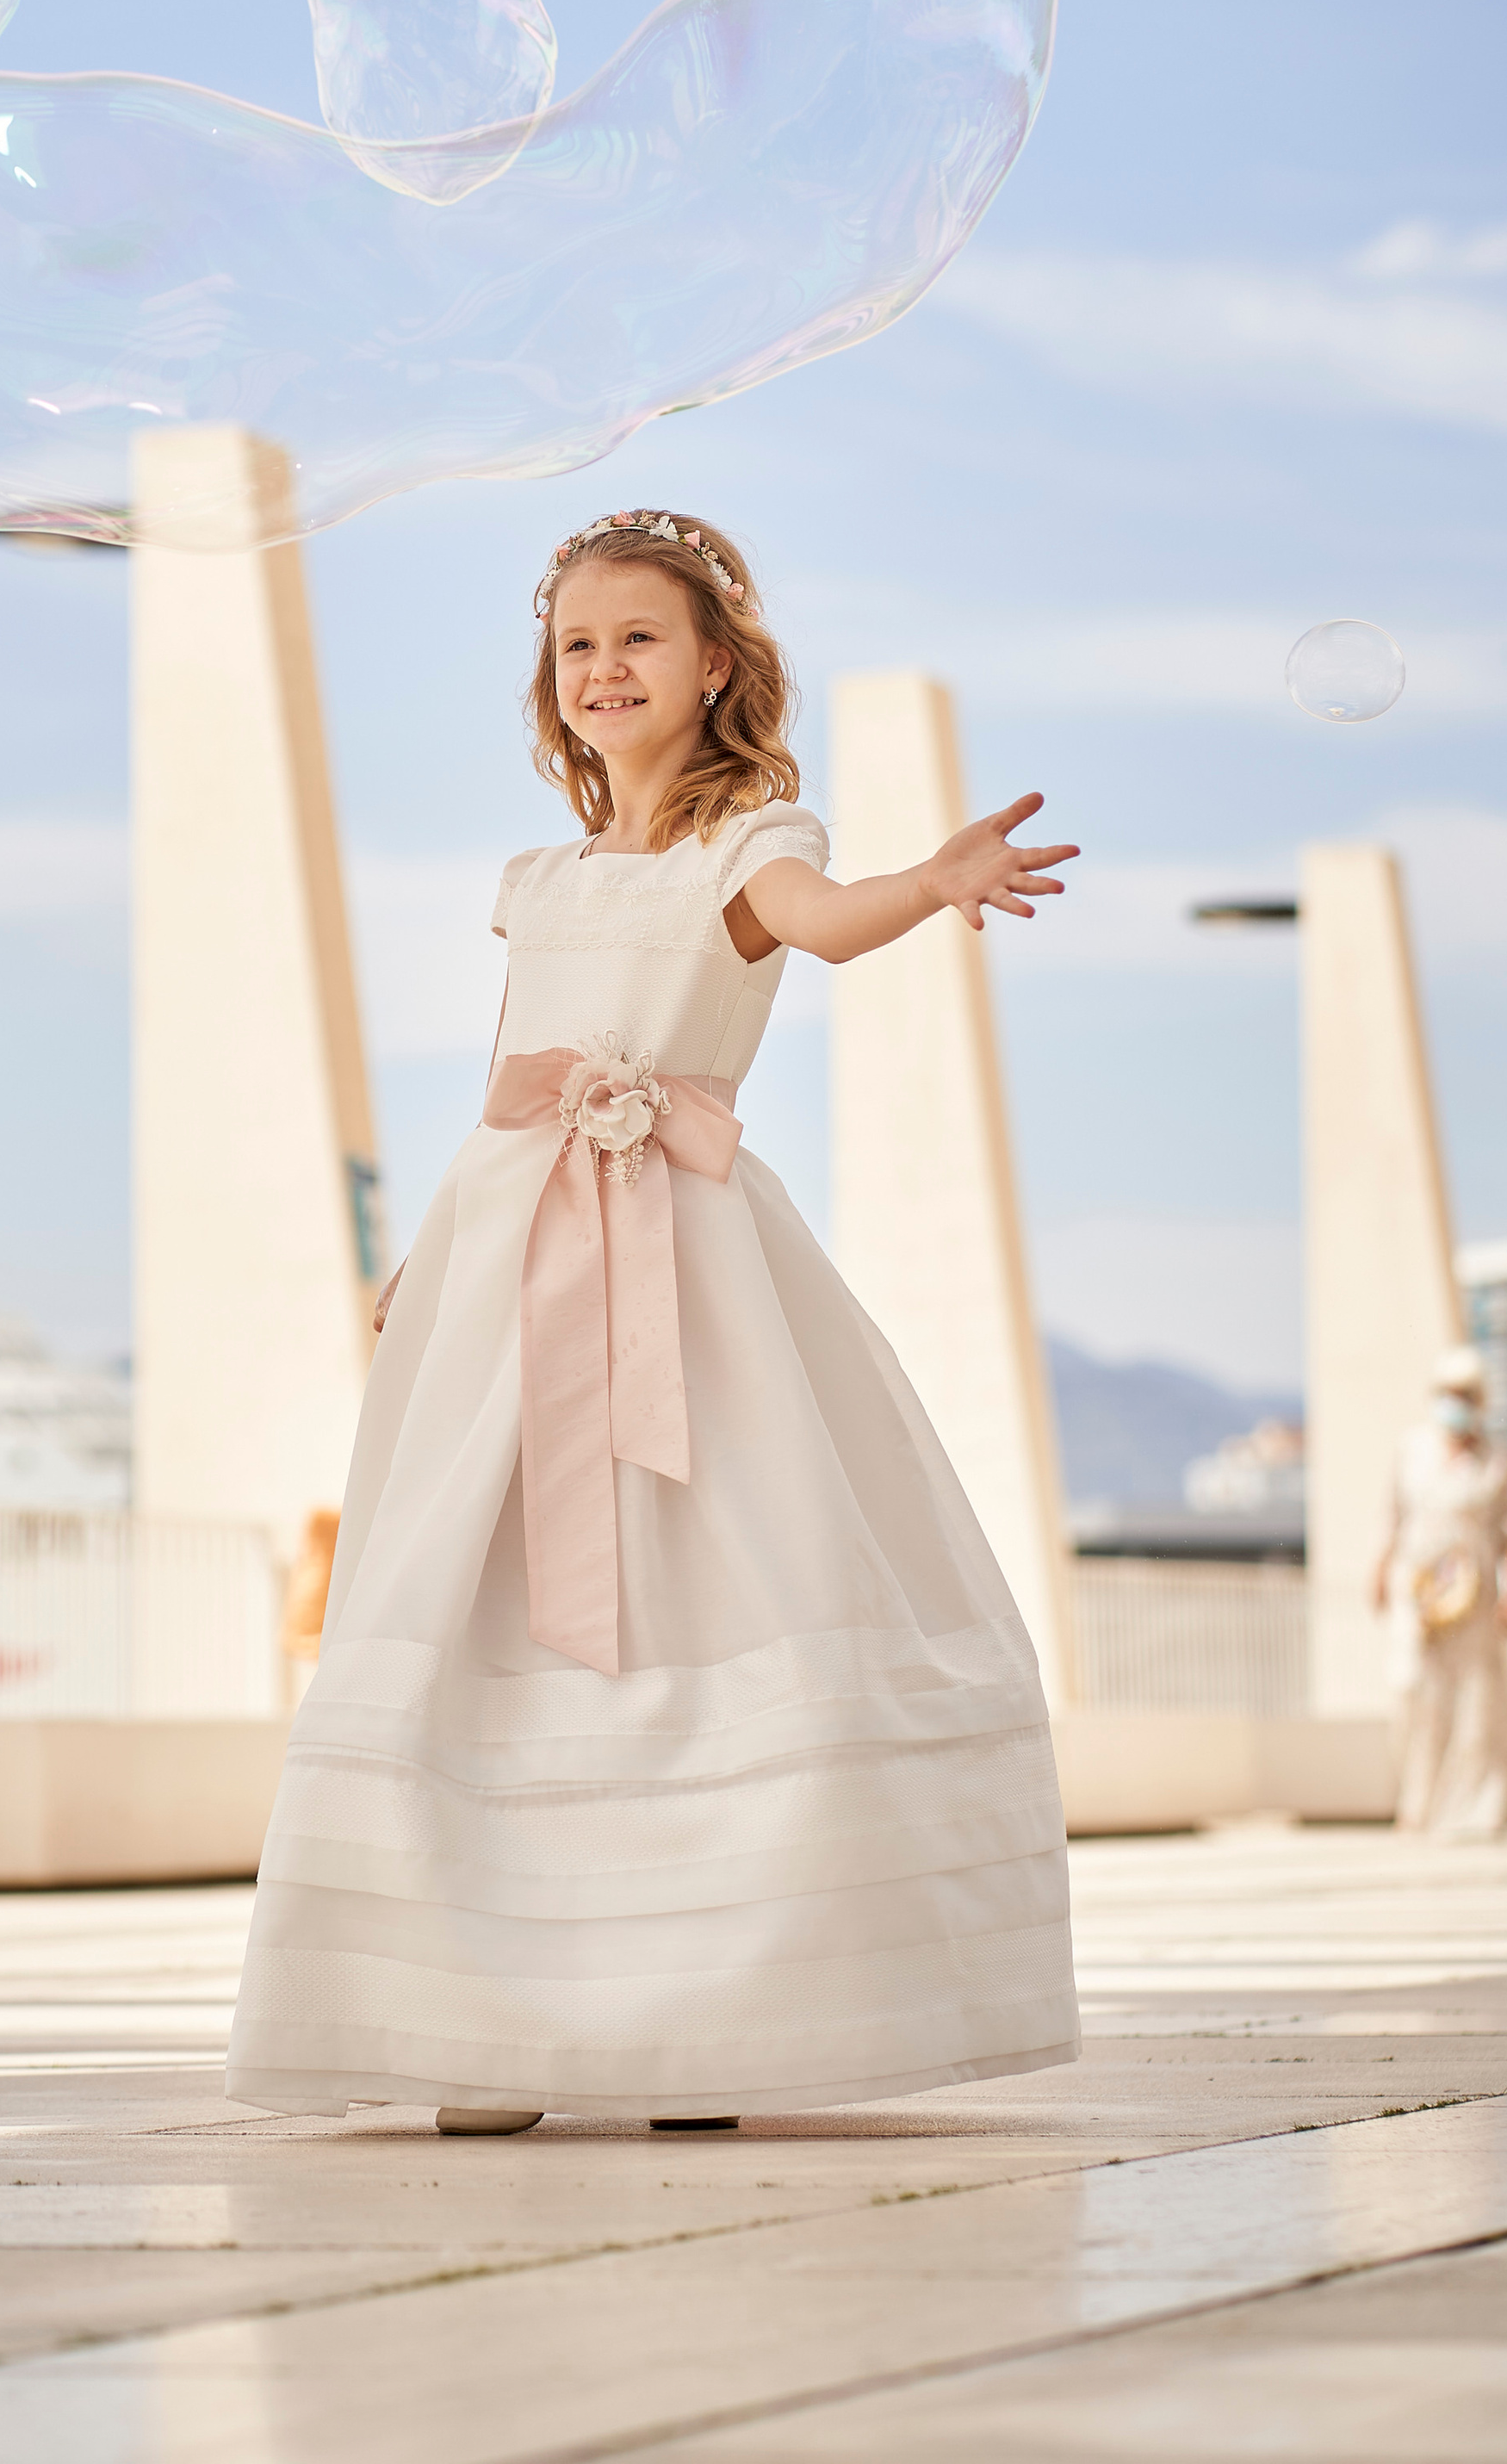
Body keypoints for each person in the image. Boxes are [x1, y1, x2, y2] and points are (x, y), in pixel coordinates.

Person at [225, 511, 1082, 2132]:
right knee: (481, 1591)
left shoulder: (751, 843)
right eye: (578, 645)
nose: (604, 668)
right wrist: (428, 1257)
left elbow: (825, 921)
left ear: (715, 670)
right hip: (508, 1255)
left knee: (701, 1583)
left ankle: (704, 2020)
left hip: (680, 1262)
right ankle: (482, 2026)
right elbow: (507, 1078)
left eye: (639, 639)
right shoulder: (538, 880)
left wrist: (932, 881)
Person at [1374, 1347, 1507, 1841]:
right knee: (1415, 1693)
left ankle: (1473, 1809)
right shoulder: (1412, 1449)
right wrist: (1380, 1568)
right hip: (1419, 1595)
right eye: (1449, 1393)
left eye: (1465, 1394)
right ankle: (1417, 1805)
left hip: (1475, 1597)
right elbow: (1393, 1514)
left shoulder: (1496, 1461)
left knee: (1475, 1703)